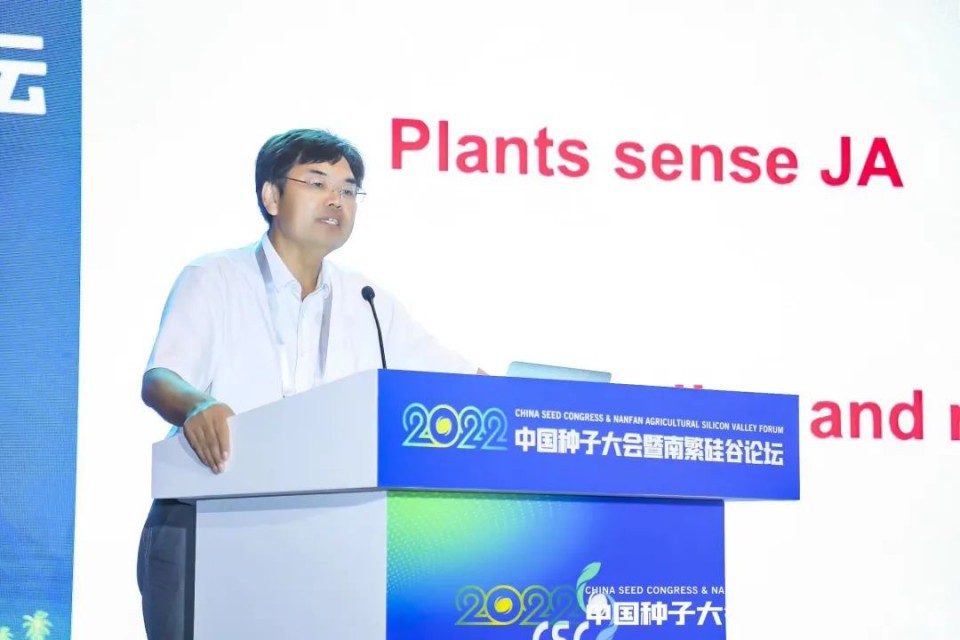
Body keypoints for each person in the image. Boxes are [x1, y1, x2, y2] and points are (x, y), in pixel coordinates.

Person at [136, 128, 482, 639]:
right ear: (272, 196)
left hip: (317, 530)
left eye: (348, 190)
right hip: (205, 514)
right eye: (317, 183)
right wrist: (197, 405)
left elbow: (459, 381)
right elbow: (162, 377)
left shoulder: (367, 299)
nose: (336, 200)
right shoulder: (216, 276)